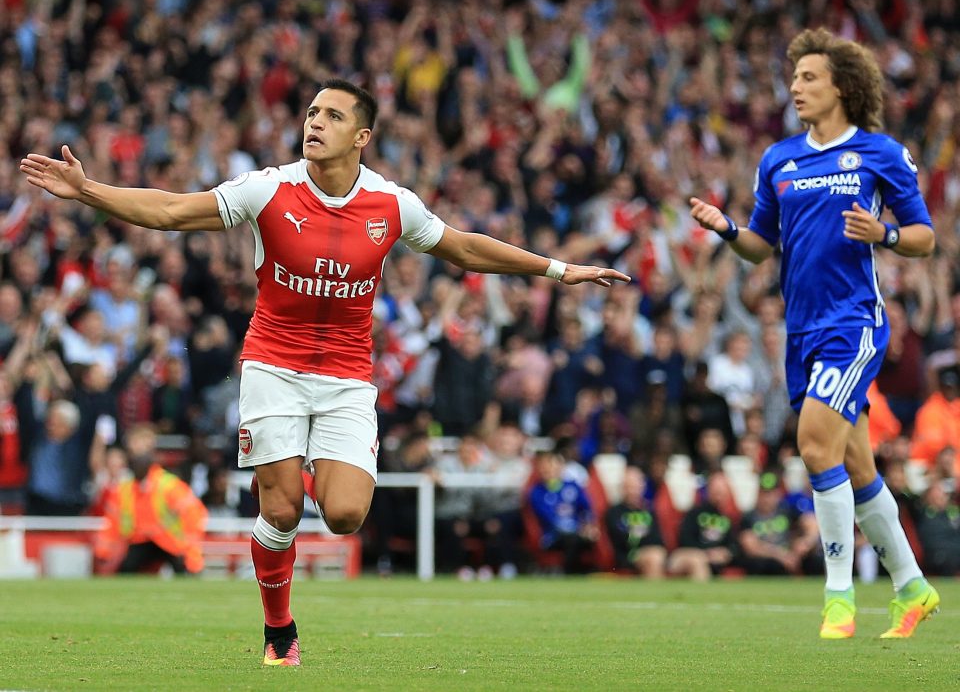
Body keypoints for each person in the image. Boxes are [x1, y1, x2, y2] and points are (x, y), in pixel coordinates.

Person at [20, 78, 628, 666]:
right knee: (281, 513)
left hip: (346, 378)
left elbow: (463, 246)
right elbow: (175, 211)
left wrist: (557, 270)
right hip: (272, 368)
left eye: (333, 116)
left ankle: (303, 466)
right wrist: (90, 191)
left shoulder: (390, 204)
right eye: (312, 112)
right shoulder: (269, 189)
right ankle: (279, 627)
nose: (315, 122)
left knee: (343, 516)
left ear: (362, 136)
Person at [689, 29, 939, 639]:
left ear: (842, 87)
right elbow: (759, 247)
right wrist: (726, 228)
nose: (795, 87)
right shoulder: (779, 159)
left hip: (852, 324)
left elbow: (925, 238)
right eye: (794, 77)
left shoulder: (880, 154)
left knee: (813, 445)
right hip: (800, 331)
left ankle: (838, 598)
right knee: (854, 463)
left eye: (808, 78)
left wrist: (883, 235)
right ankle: (912, 589)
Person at [94, 424, 208, 575]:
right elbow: (113, 521)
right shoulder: (124, 489)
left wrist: (191, 548)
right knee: (125, 571)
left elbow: (194, 513)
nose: (138, 456)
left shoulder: (167, 485)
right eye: (134, 450)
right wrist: (104, 551)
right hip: (140, 541)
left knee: (185, 569)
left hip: (170, 542)